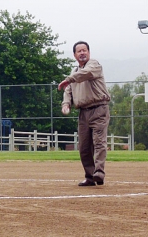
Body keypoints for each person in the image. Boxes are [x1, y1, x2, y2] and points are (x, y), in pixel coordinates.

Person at [59, 41, 111, 187]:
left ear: (89, 52)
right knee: (84, 147)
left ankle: (99, 173)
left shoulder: (94, 65)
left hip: (99, 109)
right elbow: (68, 90)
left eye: (84, 50)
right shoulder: (74, 73)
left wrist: (69, 79)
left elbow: (85, 74)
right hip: (83, 113)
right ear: (74, 55)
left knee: (99, 142)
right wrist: (66, 104)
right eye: (79, 51)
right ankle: (90, 176)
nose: (82, 53)